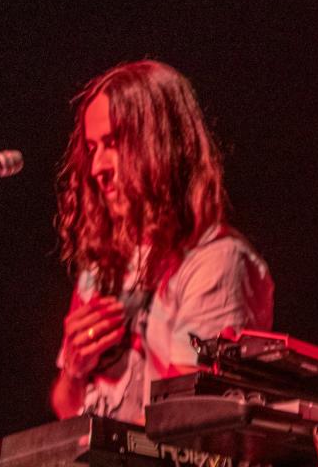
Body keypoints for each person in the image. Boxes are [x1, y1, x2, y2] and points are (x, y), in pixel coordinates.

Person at [51, 60, 274, 424]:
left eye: (112, 144)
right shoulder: (102, 269)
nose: (97, 168)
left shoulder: (215, 263)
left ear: (161, 145)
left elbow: (184, 425)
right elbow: (66, 407)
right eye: (91, 149)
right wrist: (74, 371)